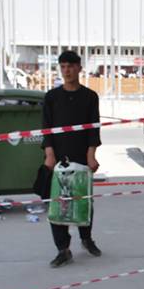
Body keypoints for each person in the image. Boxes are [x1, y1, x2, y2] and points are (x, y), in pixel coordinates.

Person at [41, 49, 102, 268]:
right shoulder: (51, 97)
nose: (67, 71)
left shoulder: (90, 97)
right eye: (63, 67)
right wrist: (49, 154)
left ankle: (86, 238)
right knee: (58, 204)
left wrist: (91, 155)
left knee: (84, 200)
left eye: (71, 66)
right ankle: (63, 249)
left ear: (79, 68)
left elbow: (94, 128)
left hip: (81, 157)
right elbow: (46, 129)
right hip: (58, 159)